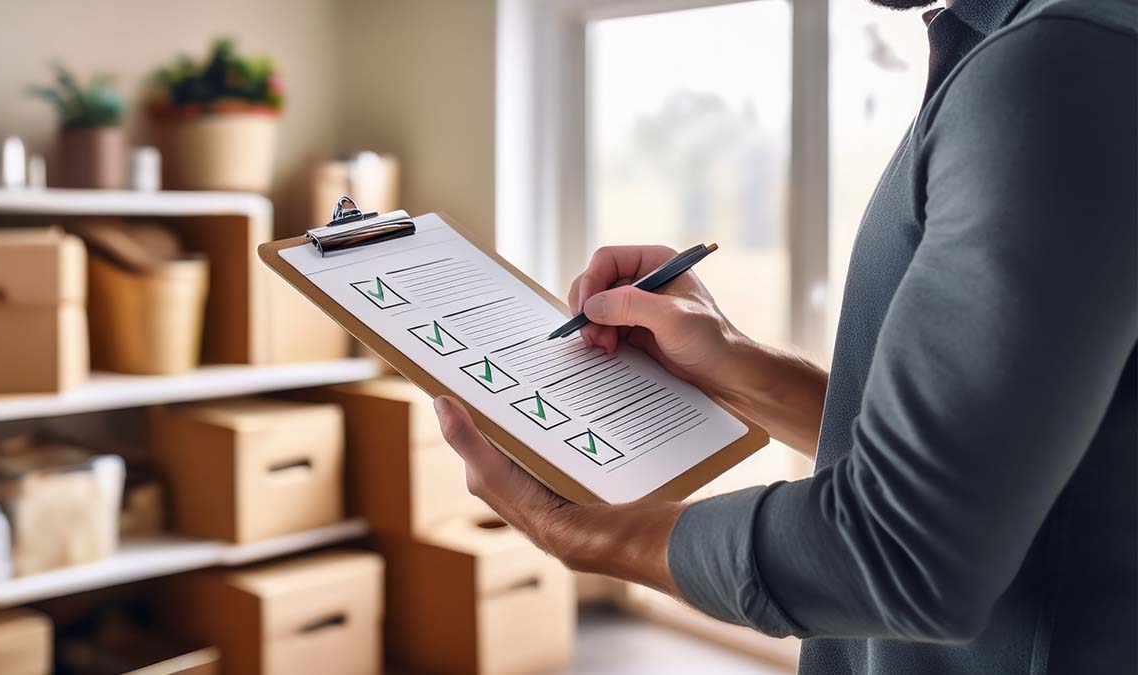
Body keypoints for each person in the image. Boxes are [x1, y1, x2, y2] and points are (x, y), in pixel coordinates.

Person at [434, 0, 1136, 672]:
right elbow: (968, 463)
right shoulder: (1036, 50)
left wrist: (581, 531)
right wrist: (729, 360)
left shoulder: (1059, 63)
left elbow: (899, 550)